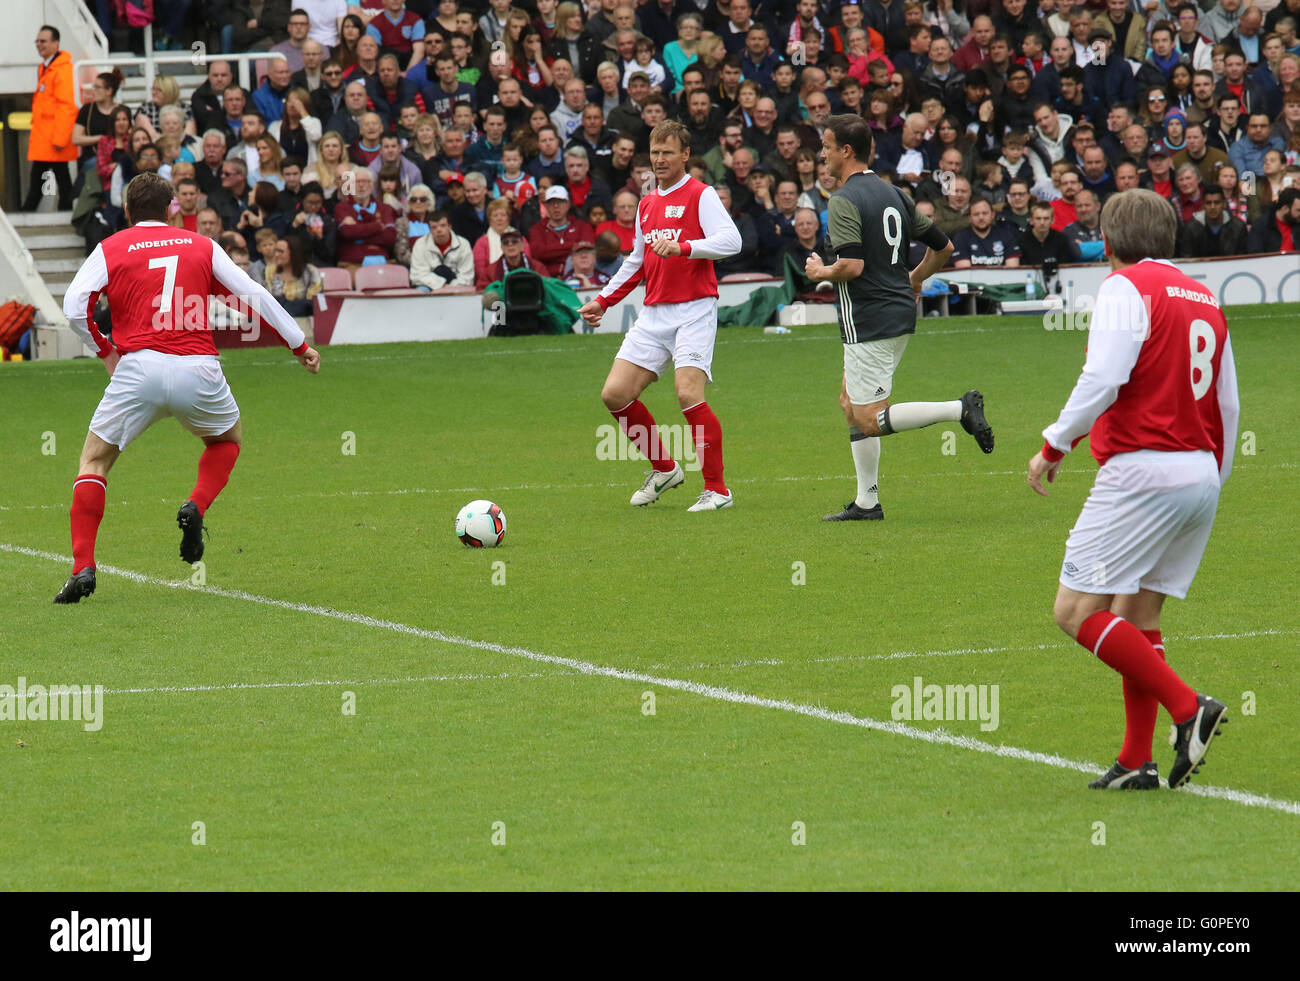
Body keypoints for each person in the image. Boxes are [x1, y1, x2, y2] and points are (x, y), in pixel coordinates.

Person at [1025, 188, 1238, 791]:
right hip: (1198, 472)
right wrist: (1209, 479)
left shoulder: (1124, 287)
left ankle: (1186, 705)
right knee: (1137, 615)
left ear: (1109, 244)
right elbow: (1228, 402)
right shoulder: (1205, 298)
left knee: (1075, 611)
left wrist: (1053, 444)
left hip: (1143, 469)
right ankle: (1135, 761)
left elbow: (1105, 375)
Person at [54, 171, 320, 603]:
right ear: (172, 207)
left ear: (127, 211)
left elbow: (73, 308)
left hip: (137, 370)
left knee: (94, 462)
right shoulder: (201, 244)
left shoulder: (112, 247)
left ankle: (83, 566)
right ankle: (195, 505)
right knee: (226, 441)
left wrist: (104, 350)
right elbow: (253, 293)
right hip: (198, 368)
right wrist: (299, 344)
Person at [804, 114, 992, 524]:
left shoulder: (843, 200)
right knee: (849, 404)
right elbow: (943, 246)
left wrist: (821, 272)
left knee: (869, 418)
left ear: (846, 151)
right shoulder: (896, 195)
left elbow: (851, 266)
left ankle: (958, 409)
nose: (823, 154)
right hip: (898, 313)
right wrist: (915, 278)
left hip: (868, 317)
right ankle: (867, 502)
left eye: (827, 146)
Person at [577, 120, 742, 512]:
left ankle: (717, 490)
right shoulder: (647, 203)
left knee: (687, 393)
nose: (660, 159)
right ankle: (664, 468)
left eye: (668, 152)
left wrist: (685, 247)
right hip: (654, 313)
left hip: (694, 309)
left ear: (685, 155)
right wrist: (604, 300)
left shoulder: (701, 195)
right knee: (614, 394)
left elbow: (731, 241)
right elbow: (637, 261)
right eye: (655, 152)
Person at [24, 26, 77, 211]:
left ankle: (27, 214)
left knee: (44, 181)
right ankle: (66, 212)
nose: (39, 45)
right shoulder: (47, 67)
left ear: (56, 43)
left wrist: (60, 138)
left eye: (43, 41)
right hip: (46, 137)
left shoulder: (62, 70)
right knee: (61, 179)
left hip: (53, 138)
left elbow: (67, 105)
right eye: (37, 41)